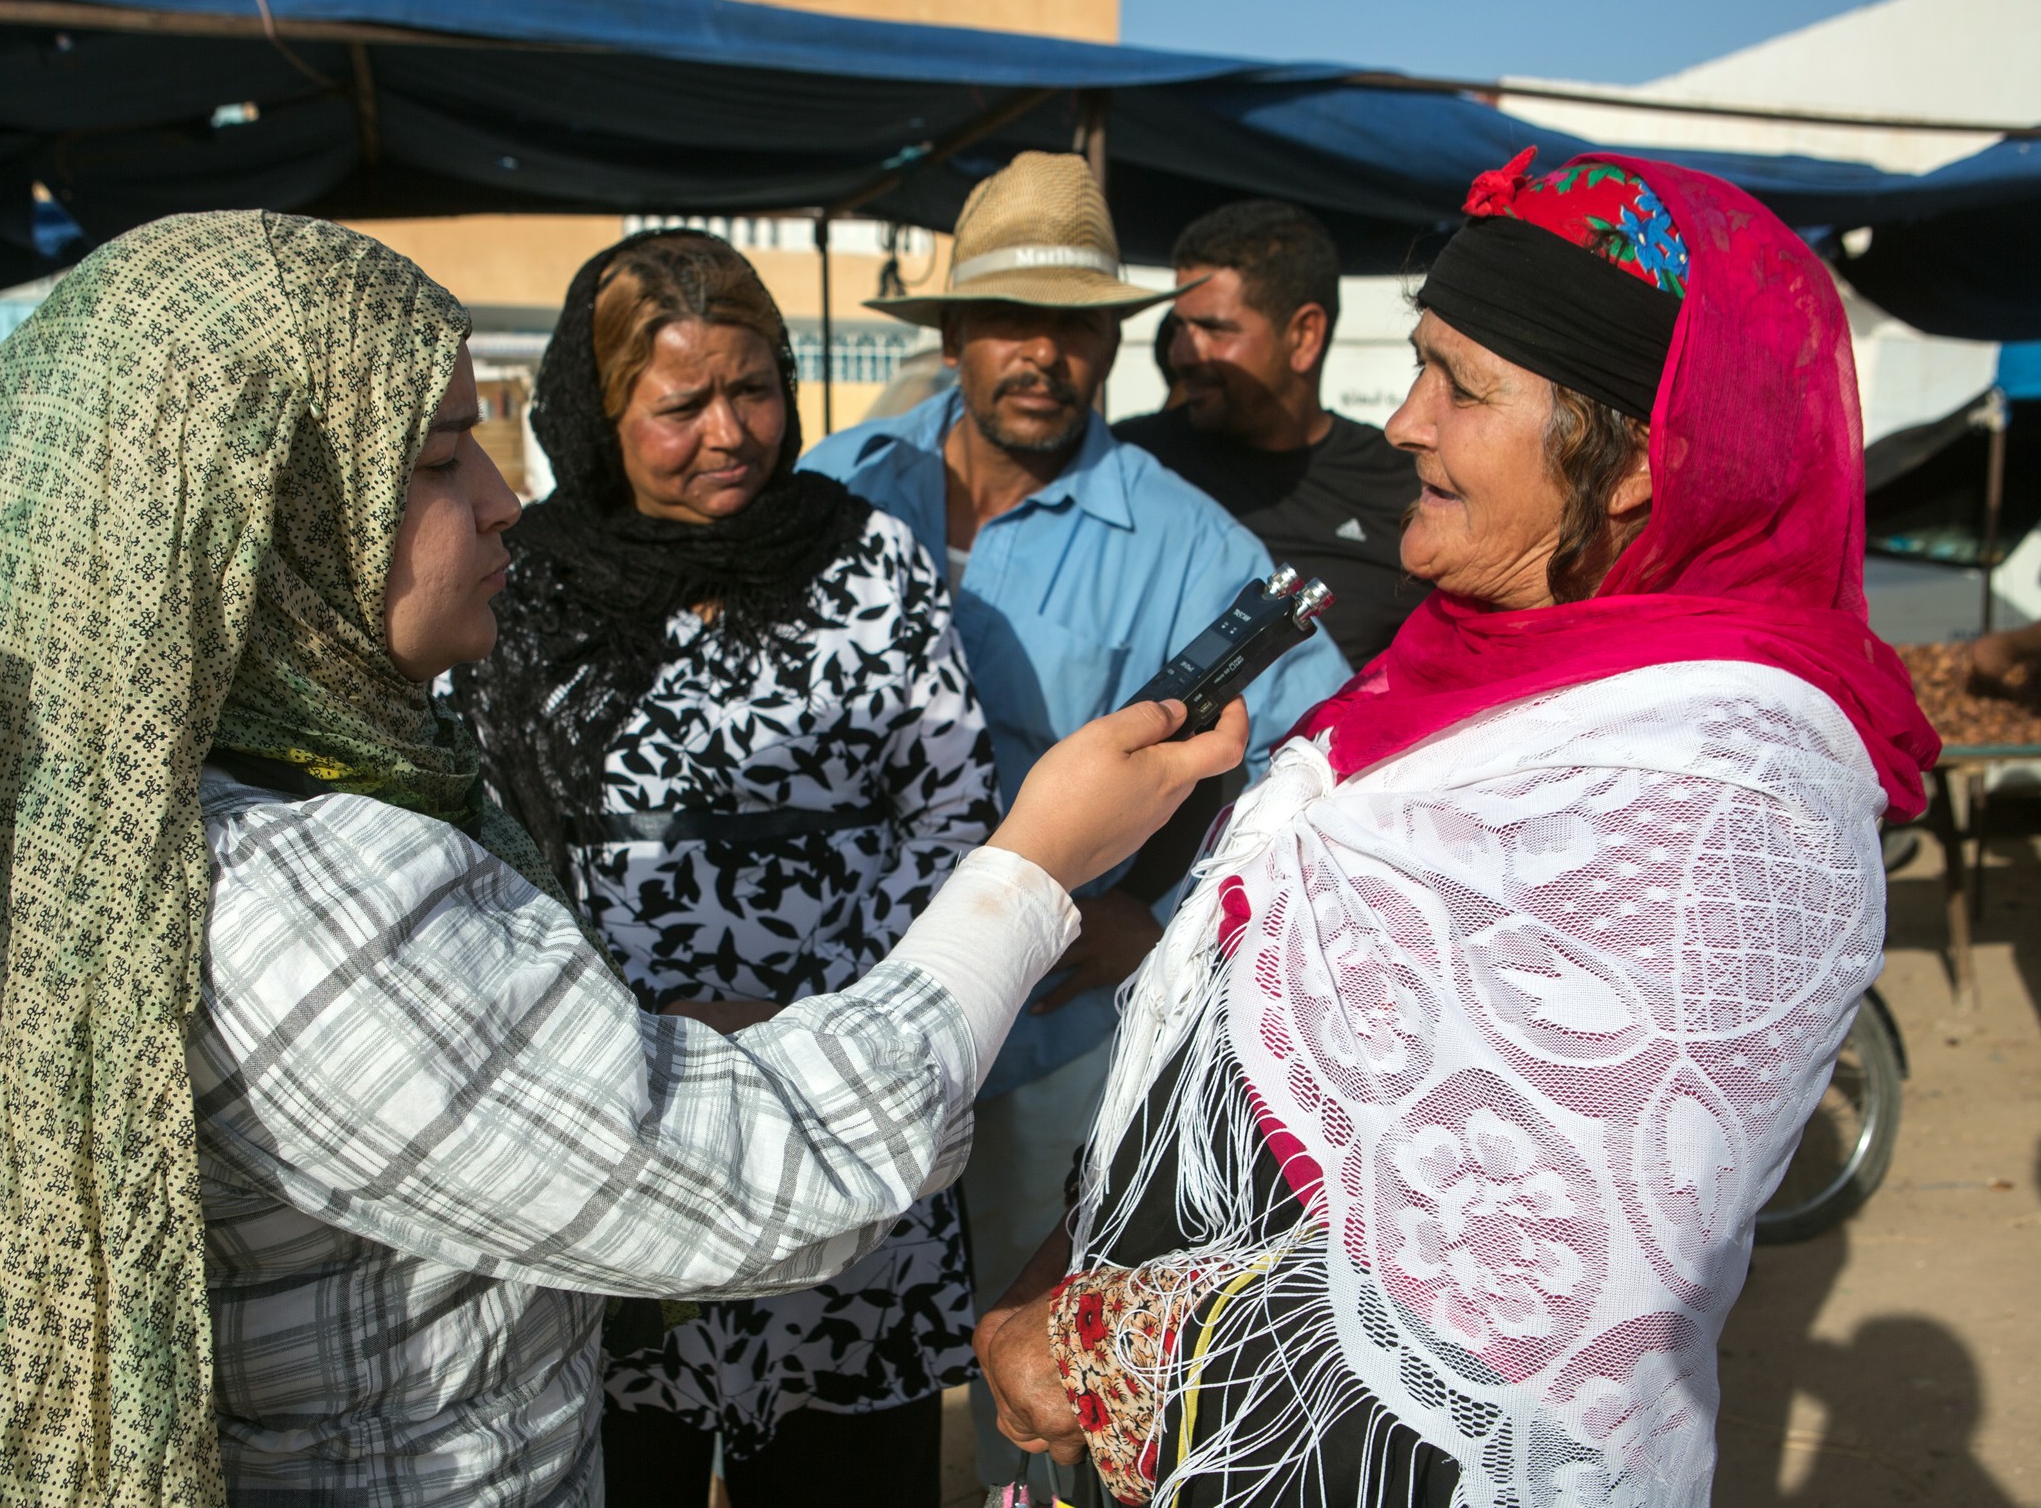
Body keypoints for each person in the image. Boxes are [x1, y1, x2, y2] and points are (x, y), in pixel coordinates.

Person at [0, 210, 1253, 1507]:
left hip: (725, 1101)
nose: (501, 499)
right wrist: (1034, 865)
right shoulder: (311, 895)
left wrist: (718, 1016)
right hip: (702, 1155)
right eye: (437, 455)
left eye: (754, 389)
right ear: (257, 513)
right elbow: (765, 1169)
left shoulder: (234, 805)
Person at [975, 151, 1940, 1507]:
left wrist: (1096, 1349)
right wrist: (1073, 1260)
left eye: (1461, 386)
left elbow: (1540, 1272)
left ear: (1633, 464)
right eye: (1417, 364)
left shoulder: (1737, 788)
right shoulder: (1468, 661)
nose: (1406, 423)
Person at [800, 151, 1353, 1494]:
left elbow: (1319, 771)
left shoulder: (1187, 542)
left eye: (1077, 324)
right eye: (1011, 319)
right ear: (954, 333)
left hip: (1046, 1057)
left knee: (1048, 1409)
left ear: (1114, 341)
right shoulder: (833, 487)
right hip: (832, 1029)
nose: (1043, 355)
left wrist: (1150, 922)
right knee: (829, 1392)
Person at [447, 230, 998, 1506]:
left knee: (842, 1475)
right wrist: (641, 1027)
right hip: (609, 1113)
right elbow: (479, 839)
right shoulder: (523, 585)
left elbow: (951, 815)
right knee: (620, 1462)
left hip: (843, 1099)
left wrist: (817, 1019)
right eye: (680, 403)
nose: (730, 432)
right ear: (597, 412)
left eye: (751, 389)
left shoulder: (867, 561)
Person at [1114, 201, 1428, 670]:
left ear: (1303, 336)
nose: (1181, 353)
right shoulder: (1127, 467)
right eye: (1179, 326)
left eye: (1214, 329)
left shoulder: (1407, 489)